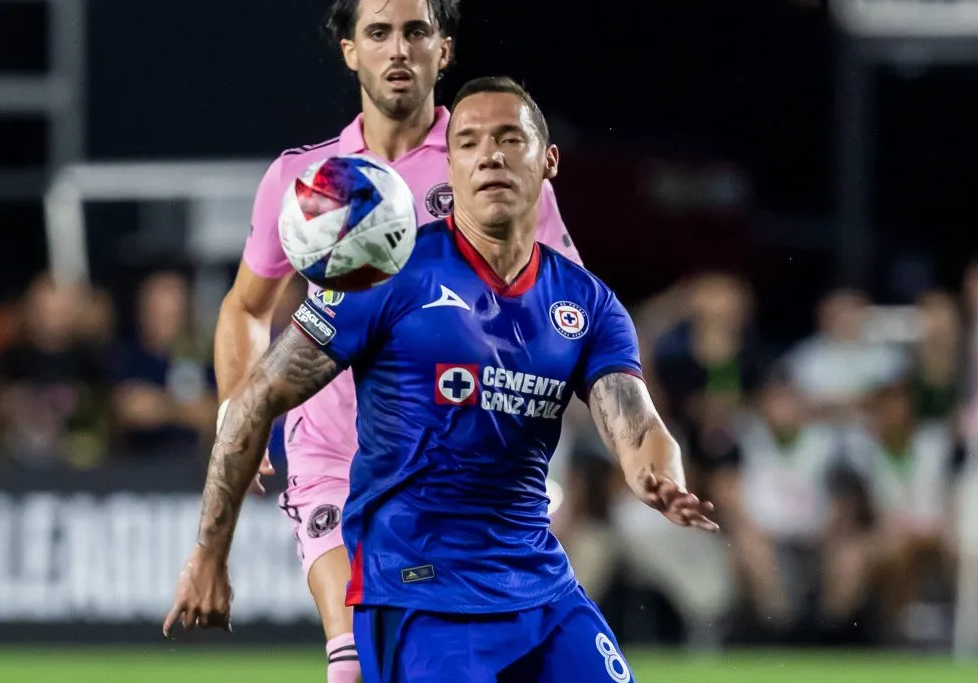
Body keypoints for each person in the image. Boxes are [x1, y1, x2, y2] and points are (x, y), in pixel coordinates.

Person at [166, 75, 716, 682]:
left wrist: (658, 477)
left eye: (511, 139)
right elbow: (256, 400)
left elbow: (637, 425)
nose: (492, 156)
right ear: (449, 168)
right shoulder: (383, 277)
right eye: (472, 143)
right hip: (419, 595)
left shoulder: (587, 303)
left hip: (540, 587)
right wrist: (210, 555)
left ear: (549, 162)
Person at [213, 0, 580, 679]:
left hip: (454, 465)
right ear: (351, 51)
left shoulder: (488, 163)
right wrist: (239, 405)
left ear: (444, 49)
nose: (398, 49)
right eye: (379, 33)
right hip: (331, 450)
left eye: (416, 32)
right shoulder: (308, 179)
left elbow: (565, 306)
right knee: (351, 660)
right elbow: (245, 305)